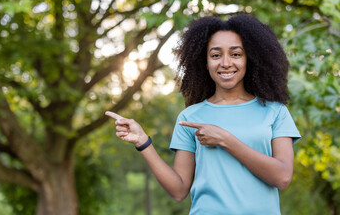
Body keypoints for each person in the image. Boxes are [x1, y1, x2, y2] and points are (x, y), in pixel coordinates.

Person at [105, 14, 301, 215]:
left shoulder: (275, 112)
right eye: (216, 55)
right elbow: (179, 190)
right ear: (205, 62)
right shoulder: (190, 117)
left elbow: (283, 177)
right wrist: (143, 142)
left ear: (249, 59)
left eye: (236, 54)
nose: (225, 63)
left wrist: (226, 140)